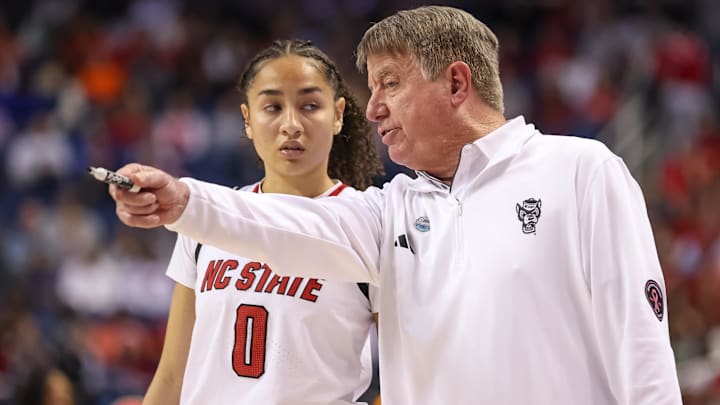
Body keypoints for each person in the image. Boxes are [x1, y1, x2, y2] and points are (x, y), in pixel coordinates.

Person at [110, 6, 682, 405]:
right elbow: (285, 222)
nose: (373, 107)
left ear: (457, 84)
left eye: (389, 83)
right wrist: (184, 199)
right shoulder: (392, 209)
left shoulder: (579, 170)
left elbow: (641, 343)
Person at [141, 39, 383, 405]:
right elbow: (173, 375)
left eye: (310, 106)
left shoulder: (370, 225)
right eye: (272, 107)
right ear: (248, 120)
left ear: (337, 115)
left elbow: (410, 379)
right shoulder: (208, 221)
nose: (291, 125)